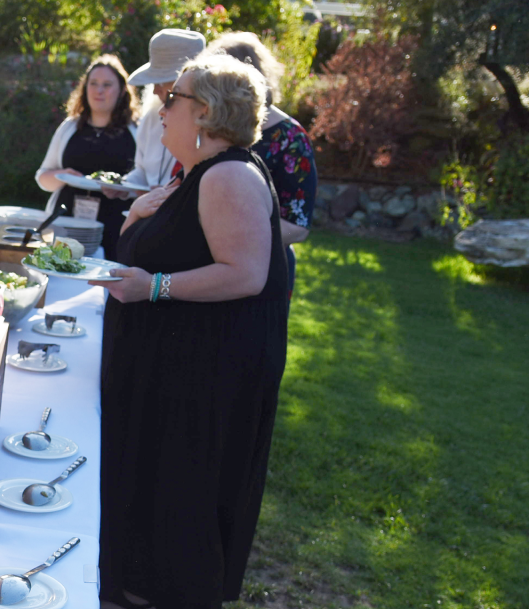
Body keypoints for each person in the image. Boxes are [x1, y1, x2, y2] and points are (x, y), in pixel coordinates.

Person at [94, 54, 288, 609]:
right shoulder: (196, 173)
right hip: (171, 371)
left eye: (172, 97)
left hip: (200, 379)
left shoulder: (229, 175)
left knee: (181, 498)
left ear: (203, 113)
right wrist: (136, 220)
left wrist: (153, 287)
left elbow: (246, 274)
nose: (160, 106)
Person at [201, 32, 318, 298]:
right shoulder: (205, 128)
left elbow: (298, 227)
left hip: (264, 275)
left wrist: (229, 235)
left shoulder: (292, 138)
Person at [34, 55, 139, 261]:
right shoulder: (69, 127)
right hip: (67, 224)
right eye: (94, 84)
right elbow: (42, 178)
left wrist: (124, 189)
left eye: (107, 85)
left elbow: (148, 184)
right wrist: (62, 175)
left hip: (117, 227)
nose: (99, 90)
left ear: (122, 90)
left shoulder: (137, 130)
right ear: (85, 88)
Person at [121, 29, 207, 190]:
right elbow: (142, 172)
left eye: (161, 82)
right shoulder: (152, 116)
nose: (154, 91)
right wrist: (122, 186)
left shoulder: (210, 125)